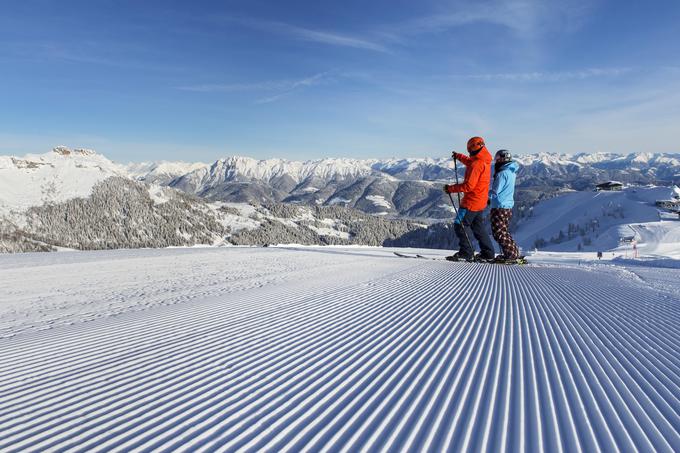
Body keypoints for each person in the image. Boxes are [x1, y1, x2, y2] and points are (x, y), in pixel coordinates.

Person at [443, 136, 495, 262]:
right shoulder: (483, 160)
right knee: (478, 227)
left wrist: (451, 189)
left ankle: (466, 253)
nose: (468, 153)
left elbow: (468, 186)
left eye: (469, 150)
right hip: (480, 201)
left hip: (471, 202)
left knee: (459, 224)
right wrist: (459, 156)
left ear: (472, 148)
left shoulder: (477, 163)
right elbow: (470, 162)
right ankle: (488, 253)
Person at [489, 149, 521, 263]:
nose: (496, 161)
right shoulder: (511, 172)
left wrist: (485, 196)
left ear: (502, 159)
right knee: (503, 231)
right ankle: (513, 252)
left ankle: (511, 254)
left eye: (497, 159)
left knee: (498, 232)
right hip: (507, 206)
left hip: (499, 206)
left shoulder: (502, 173)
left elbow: (495, 191)